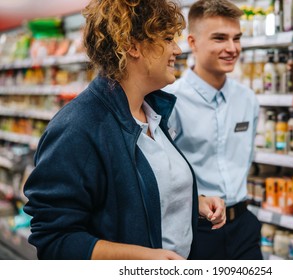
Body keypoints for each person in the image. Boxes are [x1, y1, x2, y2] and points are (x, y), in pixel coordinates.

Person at [23, 0, 225, 260]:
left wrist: (190, 202)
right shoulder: (78, 127)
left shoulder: (153, 112)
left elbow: (133, 194)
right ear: (132, 46)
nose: (177, 49)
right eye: (166, 38)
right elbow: (55, 239)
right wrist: (143, 259)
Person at [165, 0, 262, 260]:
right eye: (219, 38)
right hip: (196, 230)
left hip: (244, 226)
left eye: (236, 38)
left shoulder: (248, 99)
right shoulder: (170, 101)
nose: (231, 48)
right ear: (193, 42)